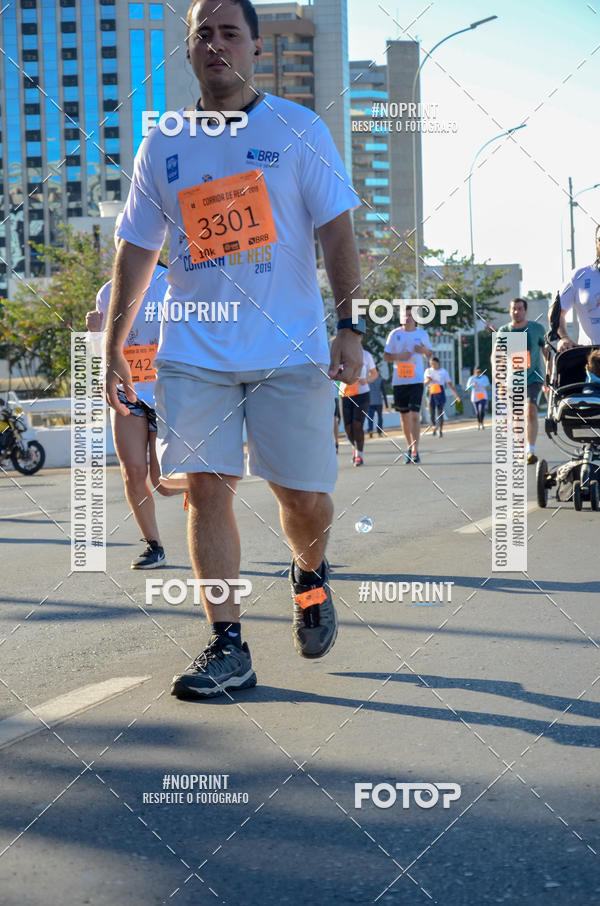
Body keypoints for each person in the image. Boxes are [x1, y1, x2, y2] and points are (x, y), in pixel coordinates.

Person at [104, 0, 363, 699]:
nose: (215, 46)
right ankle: (228, 644)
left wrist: (349, 326)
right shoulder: (162, 141)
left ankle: (309, 576)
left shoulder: (297, 129)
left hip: (289, 346)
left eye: (228, 34)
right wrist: (113, 345)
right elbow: (137, 249)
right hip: (194, 350)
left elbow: (338, 233)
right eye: (203, 35)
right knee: (205, 491)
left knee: (303, 498)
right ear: (188, 50)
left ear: (253, 48)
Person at [86, 226, 176, 569]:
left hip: (169, 393)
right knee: (132, 473)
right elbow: (106, 355)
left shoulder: (173, 283)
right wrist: (96, 335)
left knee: (163, 482)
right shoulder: (109, 294)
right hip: (128, 393)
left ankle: (206, 491)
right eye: (123, 241)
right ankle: (154, 546)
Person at [494, 298, 547, 464]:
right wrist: (497, 373)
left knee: (530, 410)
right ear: (510, 311)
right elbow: (496, 355)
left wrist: (550, 375)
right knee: (516, 417)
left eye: (519, 308)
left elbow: (546, 353)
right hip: (513, 380)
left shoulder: (536, 329)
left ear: (525, 310)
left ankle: (530, 449)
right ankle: (521, 449)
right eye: (513, 309)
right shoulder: (504, 331)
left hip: (533, 378)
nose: (516, 312)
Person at [383, 305, 432, 463]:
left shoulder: (421, 333)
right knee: (404, 418)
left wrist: (424, 350)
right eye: (405, 315)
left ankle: (416, 450)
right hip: (400, 381)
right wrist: (399, 356)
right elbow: (385, 356)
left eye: (410, 315)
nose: (407, 317)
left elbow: (430, 354)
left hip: (416, 380)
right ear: (400, 317)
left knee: (415, 415)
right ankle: (409, 447)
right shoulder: (394, 334)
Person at [556, 224, 600, 351]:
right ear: (596, 242)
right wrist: (564, 338)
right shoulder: (579, 276)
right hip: (591, 358)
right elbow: (556, 312)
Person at [339, 346, 377, 466]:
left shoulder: (366, 355)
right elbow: (334, 371)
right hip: (345, 394)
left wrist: (367, 379)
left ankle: (359, 454)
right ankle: (354, 448)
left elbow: (374, 373)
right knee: (348, 427)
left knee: (357, 424)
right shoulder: (340, 354)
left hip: (362, 393)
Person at [423, 355, 460, 438]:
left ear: (438, 363)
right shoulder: (428, 371)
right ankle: (434, 426)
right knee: (431, 412)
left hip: (440, 391)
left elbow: (449, 383)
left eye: (434, 364)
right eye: (431, 364)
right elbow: (424, 383)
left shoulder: (443, 371)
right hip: (431, 391)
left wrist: (456, 394)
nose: (433, 365)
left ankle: (440, 429)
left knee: (440, 411)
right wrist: (428, 380)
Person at [366, 368, 388, 438]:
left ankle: (370, 430)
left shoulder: (367, 380)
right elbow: (384, 392)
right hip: (379, 402)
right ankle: (379, 432)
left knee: (370, 417)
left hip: (370, 402)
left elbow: (365, 392)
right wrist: (386, 403)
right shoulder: (380, 380)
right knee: (380, 417)